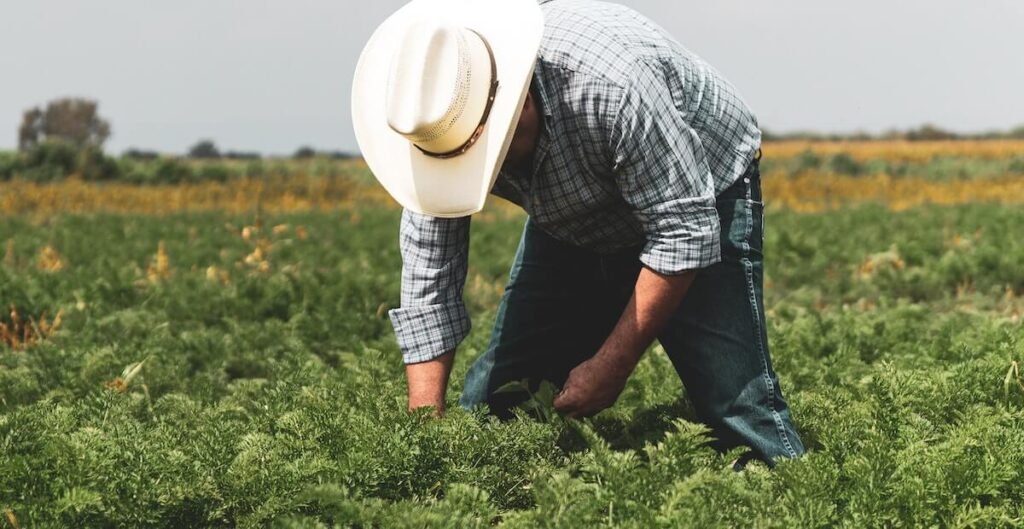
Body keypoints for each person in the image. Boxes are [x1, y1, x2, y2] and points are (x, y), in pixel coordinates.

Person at [352, 0, 804, 466]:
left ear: (517, 97)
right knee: (498, 407)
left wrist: (613, 363)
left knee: (737, 407)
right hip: (571, 214)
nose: (490, 168)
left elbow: (682, 232)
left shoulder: (612, 86)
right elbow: (430, 281)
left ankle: (789, 484)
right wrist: (425, 439)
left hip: (701, 190)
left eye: (490, 151)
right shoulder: (435, 123)